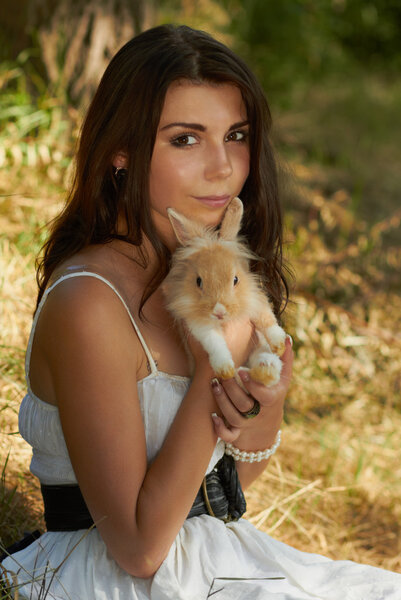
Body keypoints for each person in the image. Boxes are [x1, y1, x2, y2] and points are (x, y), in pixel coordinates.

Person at [1, 24, 401, 600]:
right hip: (112, 579)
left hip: (211, 554)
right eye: (185, 140)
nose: (222, 167)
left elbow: (224, 491)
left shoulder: (207, 279)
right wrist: (207, 376)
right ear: (121, 152)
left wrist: (266, 405)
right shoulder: (89, 302)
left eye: (235, 135)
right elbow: (139, 548)